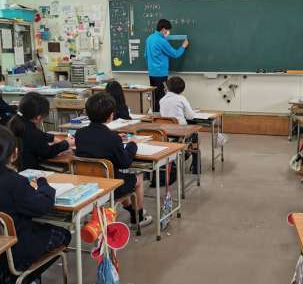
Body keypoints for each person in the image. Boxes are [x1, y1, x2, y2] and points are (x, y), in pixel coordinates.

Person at [0, 127, 71, 284]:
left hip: (2, 245)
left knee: (32, 227)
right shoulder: (14, 182)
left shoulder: (15, 182)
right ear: (13, 154)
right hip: (18, 248)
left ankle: (28, 282)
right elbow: (42, 206)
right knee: (64, 235)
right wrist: (43, 184)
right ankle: (23, 280)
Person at [75, 92, 151, 227]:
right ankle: (138, 218)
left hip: (87, 185)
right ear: (110, 116)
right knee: (137, 177)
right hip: (109, 186)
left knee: (120, 177)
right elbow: (125, 163)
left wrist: (116, 139)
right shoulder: (112, 138)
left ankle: (131, 209)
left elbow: (96, 143)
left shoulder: (79, 134)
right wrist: (132, 143)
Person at [8, 92, 73, 171]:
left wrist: (52, 138)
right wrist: (66, 143)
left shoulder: (14, 121)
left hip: (14, 168)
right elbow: (48, 153)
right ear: (39, 117)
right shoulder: (33, 133)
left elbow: (39, 135)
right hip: (29, 170)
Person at [144, 19, 189, 112]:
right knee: (162, 98)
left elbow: (145, 55)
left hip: (151, 73)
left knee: (154, 97)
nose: (168, 32)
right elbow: (175, 54)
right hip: (161, 74)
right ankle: (161, 117)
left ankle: (155, 115)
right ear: (163, 29)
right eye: (168, 30)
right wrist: (183, 46)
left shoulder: (149, 38)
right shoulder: (162, 41)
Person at [160, 76, 198, 174]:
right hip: (180, 132)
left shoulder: (162, 100)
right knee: (195, 135)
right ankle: (196, 166)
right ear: (182, 89)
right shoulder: (181, 99)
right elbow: (190, 116)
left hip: (166, 133)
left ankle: (182, 155)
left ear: (168, 87)